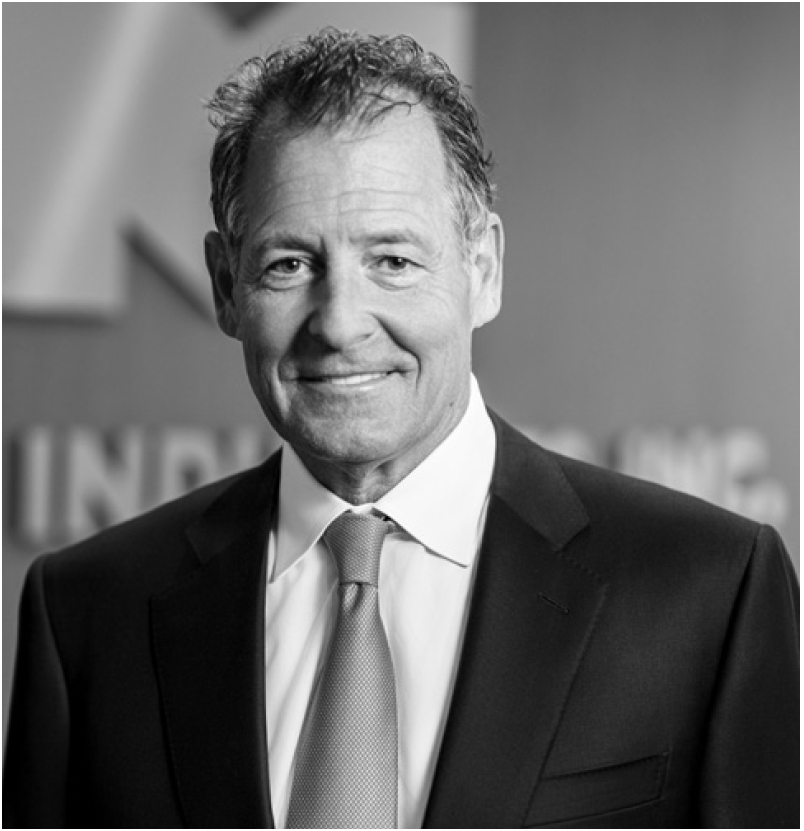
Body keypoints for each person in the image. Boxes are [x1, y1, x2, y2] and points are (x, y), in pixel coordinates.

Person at [4, 29, 798, 830]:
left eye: (392, 260)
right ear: (224, 286)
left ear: (483, 268)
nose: (340, 322)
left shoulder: (708, 592)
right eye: (288, 264)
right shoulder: (86, 615)